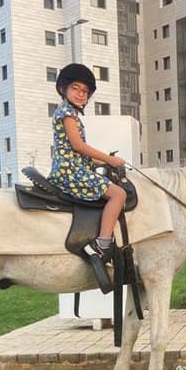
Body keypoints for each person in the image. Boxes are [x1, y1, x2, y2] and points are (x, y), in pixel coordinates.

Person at [48, 63, 127, 265]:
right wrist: (110, 159)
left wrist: (107, 163)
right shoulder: (67, 113)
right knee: (118, 194)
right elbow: (78, 145)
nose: (81, 94)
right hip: (69, 171)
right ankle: (102, 244)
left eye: (85, 91)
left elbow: (79, 153)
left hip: (73, 167)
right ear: (62, 88)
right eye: (75, 88)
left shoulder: (69, 114)